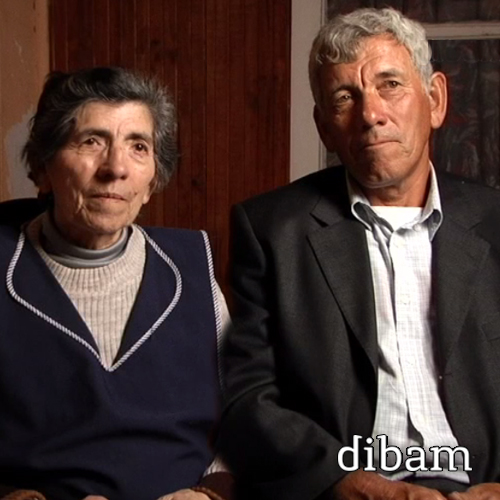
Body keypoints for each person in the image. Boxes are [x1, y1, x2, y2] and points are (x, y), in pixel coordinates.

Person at [217, 7, 500, 500]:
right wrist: (347, 483)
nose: (371, 114)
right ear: (324, 127)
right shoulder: (271, 231)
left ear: (435, 100)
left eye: (390, 85)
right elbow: (247, 396)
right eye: (345, 97)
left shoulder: (495, 223)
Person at [0, 67, 232, 500]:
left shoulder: (192, 271)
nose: (116, 168)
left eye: (138, 146)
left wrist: (209, 493)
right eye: (91, 141)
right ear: (45, 167)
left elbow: (244, 419)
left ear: (152, 181)